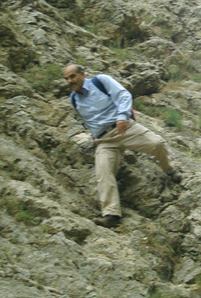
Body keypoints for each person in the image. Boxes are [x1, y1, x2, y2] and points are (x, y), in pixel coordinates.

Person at [63, 64, 182, 228]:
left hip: (125, 129)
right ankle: (111, 215)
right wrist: (95, 134)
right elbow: (87, 119)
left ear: (83, 74)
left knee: (157, 143)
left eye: (72, 76)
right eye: (67, 78)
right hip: (104, 141)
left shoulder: (101, 81)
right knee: (103, 172)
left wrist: (121, 117)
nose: (70, 81)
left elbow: (123, 95)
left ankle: (170, 170)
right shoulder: (74, 99)